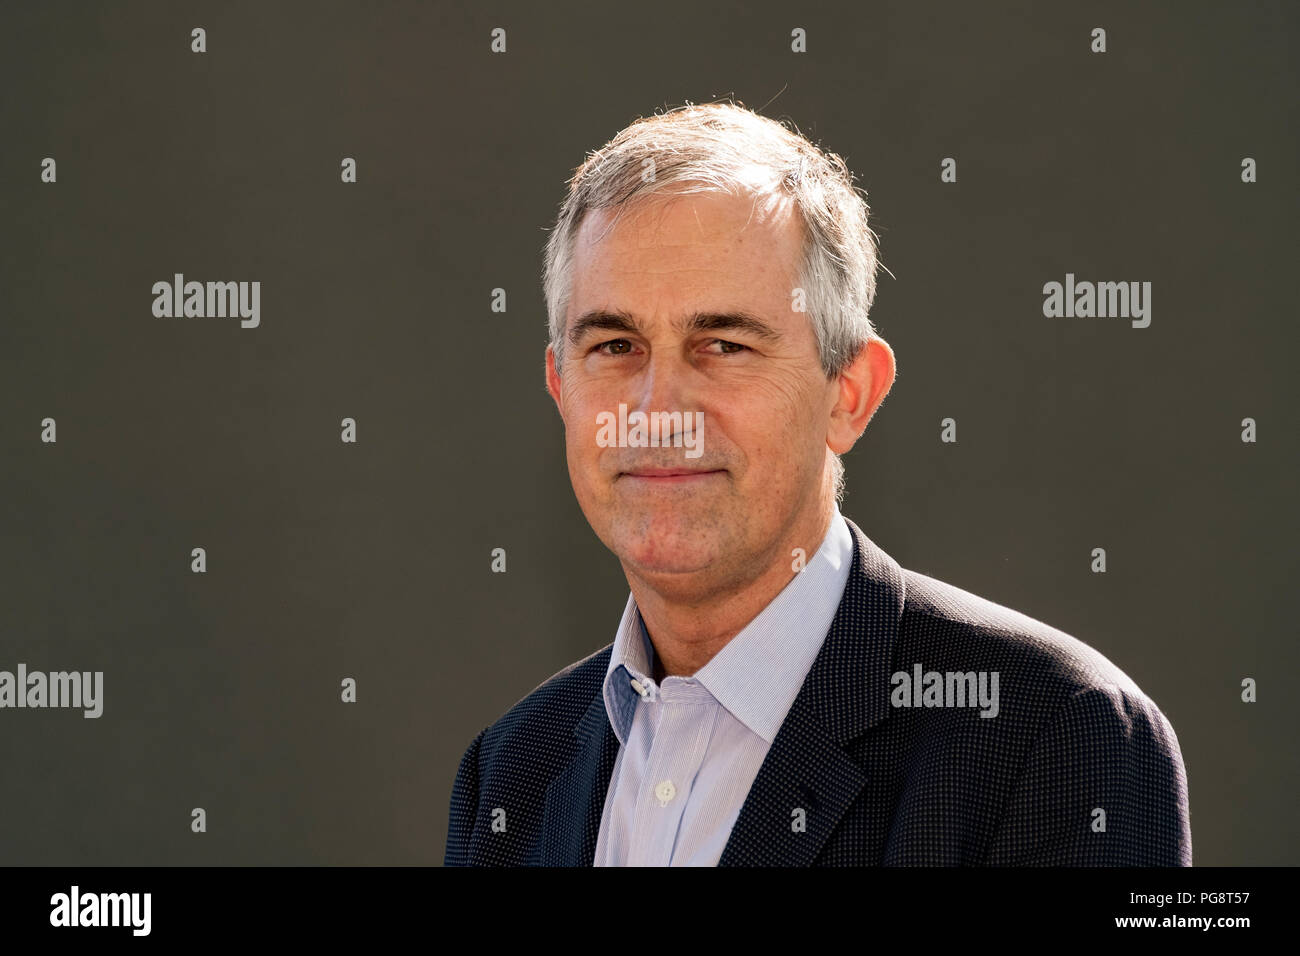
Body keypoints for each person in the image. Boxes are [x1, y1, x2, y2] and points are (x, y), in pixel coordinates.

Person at [444, 101, 1191, 866]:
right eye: (614, 344)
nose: (656, 413)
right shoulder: (510, 775)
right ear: (560, 389)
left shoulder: (1053, 737)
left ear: (850, 395)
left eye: (725, 344)